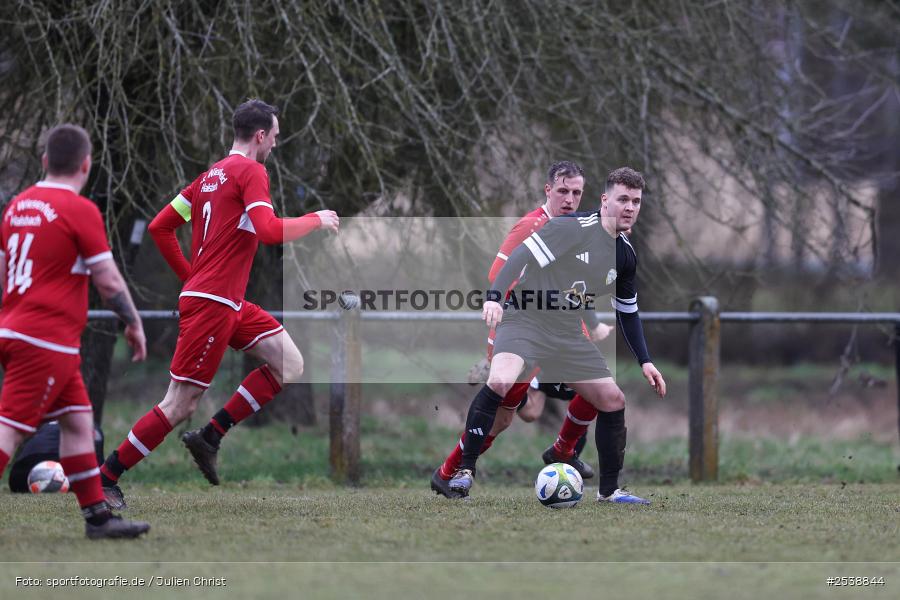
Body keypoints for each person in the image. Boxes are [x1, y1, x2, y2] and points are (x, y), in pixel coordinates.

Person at [98, 99, 339, 509]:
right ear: (260, 136)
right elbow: (268, 231)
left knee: (290, 364)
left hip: (227, 301)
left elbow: (161, 226)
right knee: (179, 403)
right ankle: (106, 479)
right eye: (275, 138)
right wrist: (316, 219)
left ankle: (210, 436)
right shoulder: (251, 171)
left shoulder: (209, 178)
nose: (275, 146)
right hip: (213, 303)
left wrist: (191, 276)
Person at [448, 167, 666, 503]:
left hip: (567, 333)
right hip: (525, 321)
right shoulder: (572, 229)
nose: (630, 207)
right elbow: (519, 257)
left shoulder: (624, 253)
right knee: (501, 382)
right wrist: (494, 298)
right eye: (623, 199)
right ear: (605, 200)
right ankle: (464, 471)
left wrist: (646, 361)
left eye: (636, 201)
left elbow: (628, 311)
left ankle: (609, 492)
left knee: (613, 400)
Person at [0, 124, 150, 538]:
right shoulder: (79, 209)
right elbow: (108, 281)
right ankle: (99, 519)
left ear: (45, 161)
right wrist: (133, 324)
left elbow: (3, 274)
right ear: (86, 165)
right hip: (44, 339)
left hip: (18, 331)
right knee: (10, 429)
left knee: (78, 423)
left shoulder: (17, 206)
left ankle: (98, 521)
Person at [431, 161, 610, 498]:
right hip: (522, 327)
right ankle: (449, 472)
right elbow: (497, 273)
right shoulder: (530, 226)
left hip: (557, 330)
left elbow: (577, 283)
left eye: (576, 192)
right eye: (562, 191)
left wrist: (592, 321)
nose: (570, 199)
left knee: (596, 390)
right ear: (547, 190)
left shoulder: (577, 229)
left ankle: (565, 451)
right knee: (506, 418)